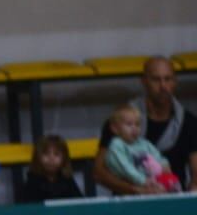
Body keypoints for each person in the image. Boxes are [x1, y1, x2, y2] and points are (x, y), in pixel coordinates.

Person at [93, 57, 197, 193]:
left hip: (172, 200)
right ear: (143, 81)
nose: (163, 86)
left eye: (168, 79)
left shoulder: (189, 122)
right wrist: (136, 190)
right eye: (156, 79)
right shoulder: (120, 121)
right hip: (130, 202)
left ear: (175, 82)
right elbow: (98, 173)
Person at [100, 102, 181, 193]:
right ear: (115, 128)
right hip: (129, 189)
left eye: (137, 124)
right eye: (129, 124)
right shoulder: (116, 145)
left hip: (150, 182)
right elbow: (125, 168)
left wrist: (164, 164)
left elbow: (156, 154)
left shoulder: (143, 143)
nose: (134, 128)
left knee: (172, 183)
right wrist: (143, 181)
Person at [16, 135, 82, 205]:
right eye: (46, 154)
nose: (51, 158)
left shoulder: (68, 181)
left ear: (64, 159)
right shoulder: (32, 182)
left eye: (56, 154)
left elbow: (79, 204)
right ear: (37, 158)